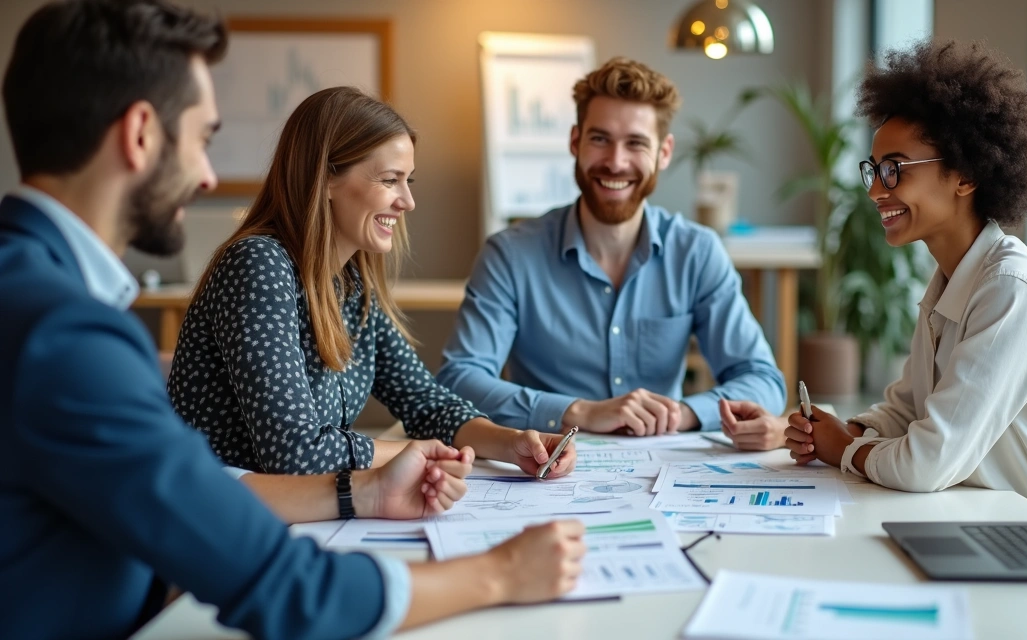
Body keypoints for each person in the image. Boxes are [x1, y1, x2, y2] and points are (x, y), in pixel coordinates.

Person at [0, 2, 583, 639]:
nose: (208, 175)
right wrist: (497, 574)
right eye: (202, 139)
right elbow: (279, 579)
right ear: (141, 134)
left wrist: (487, 447)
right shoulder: (68, 332)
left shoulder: (38, 295)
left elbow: (417, 399)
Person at [167, 86, 577, 479]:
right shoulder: (258, 265)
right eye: (389, 180)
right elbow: (294, 453)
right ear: (325, 178)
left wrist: (515, 444)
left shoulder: (350, 283)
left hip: (290, 516)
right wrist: (416, 453)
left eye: (408, 180)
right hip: (218, 520)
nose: (408, 201)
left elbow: (425, 404)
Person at [785, 40, 1027, 520]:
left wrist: (843, 450)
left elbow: (926, 463)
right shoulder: (951, 281)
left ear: (965, 175)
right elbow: (908, 410)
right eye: (874, 169)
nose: (874, 189)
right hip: (985, 521)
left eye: (894, 171)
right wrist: (844, 429)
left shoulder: (1012, 288)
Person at [436, 57, 787, 450]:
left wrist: (681, 413)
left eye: (636, 142)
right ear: (575, 142)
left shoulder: (696, 252)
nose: (616, 162)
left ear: (664, 152)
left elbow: (763, 379)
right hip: (544, 466)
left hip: (664, 468)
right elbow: (459, 379)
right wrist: (579, 411)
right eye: (600, 138)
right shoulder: (510, 254)